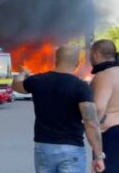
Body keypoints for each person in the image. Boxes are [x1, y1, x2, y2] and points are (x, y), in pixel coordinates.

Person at [13, 45, 105, 173]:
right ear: (77, 64)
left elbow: (16, 86)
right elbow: (91, 123)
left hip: (43, 147)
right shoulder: (81, 86)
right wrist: (98, 155)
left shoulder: (38, 81)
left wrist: (23, 73)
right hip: (71, 148)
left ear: (55, 61)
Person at [90, 39, 119, 172]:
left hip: (111, 134)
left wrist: (94, 128)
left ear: (96, 54)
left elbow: (99, 108)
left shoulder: (104, 75)